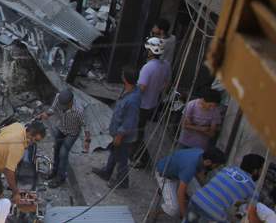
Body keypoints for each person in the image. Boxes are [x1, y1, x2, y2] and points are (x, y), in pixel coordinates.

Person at [91, 66, 141, 189]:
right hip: (118, 132)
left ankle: (122, 181)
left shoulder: (132, 99)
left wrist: (119, 136)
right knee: (114, 152)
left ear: (126, 79)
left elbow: (129, 122)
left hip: (124, 136)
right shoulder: (129, 91)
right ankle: (107, 172)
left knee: (122, 159)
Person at [0, 121, 46, 204]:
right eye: (35, 139)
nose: (34, 142)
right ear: (30, 134)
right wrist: (15, 192)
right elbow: (9, 171)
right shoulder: (18, 146)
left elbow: (1, 131)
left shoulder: (17, 126)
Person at [186, 153, 264, 222]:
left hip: (196, 199)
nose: (261, 174)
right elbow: (251, 217)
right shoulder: (252, 188)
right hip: (213, 214)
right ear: (255, 171)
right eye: (261, 171)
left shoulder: (227, 169)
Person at [154, 146, 225, 219]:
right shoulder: (190, 167)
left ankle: (179, 199)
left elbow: (199, 173)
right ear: (208, 162)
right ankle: (153, 213)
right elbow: (180, 193)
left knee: (199, 195)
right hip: (164, 175)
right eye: (216, 165)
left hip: (178, 173)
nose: (216, 168)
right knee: (173, 209)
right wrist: (184, 216)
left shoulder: (201, 152)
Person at [132, 37, 172, 168]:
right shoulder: (166, 65)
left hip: (142, 105)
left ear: (150, 51)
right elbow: (166, 84)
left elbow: (141, 88)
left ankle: (141, 158)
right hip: (153, 103)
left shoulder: (148, 67)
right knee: (140, 130)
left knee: (137, 132)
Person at [39, 89, 91, 188]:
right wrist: (47, 114)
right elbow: (53, 109)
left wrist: (87, 140)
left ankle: (60, 177)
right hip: (61, 128)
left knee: (63, 153)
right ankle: (54, 171)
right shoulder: (58, 98)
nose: (62, 107)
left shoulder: (79, 111)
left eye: (64, 105)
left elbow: (86, 126)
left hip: (72, 133)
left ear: (71, 102)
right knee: (56, 149)